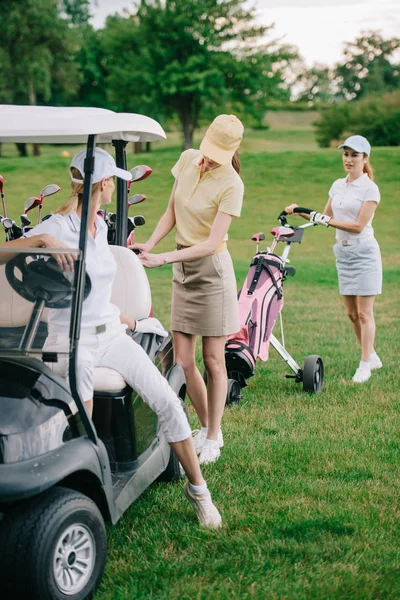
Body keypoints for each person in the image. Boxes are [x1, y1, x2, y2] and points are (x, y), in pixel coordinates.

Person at [0, 147, 222, 529]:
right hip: (70, 339)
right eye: (111, 182)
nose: (111, 187)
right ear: (103, 184)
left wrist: (130, 321)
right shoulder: (57, 227)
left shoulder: (100, 226)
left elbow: (97, 290)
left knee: (166, 400)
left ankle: (199, 490)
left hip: (110, 335)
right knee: (82, 418)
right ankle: (76, 496)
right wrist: (40, 243)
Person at [131, 114, 245, 464]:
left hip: (211, 273)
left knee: (213, 360)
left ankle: (213, 436)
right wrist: (150, 244)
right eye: (209, 151)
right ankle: (208, 426)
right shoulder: (187, 159)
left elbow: (212, 243)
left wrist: (164, 259)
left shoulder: (232, 184)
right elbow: (171, 212)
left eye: (217, 155)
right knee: (183, 359)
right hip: (181, 266)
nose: (208, 159)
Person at [285, 134, 382, 384]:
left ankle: (365, 364)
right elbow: (323, 216)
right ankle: (371, 355)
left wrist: (324, 220)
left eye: (354, 155)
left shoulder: (370, 189)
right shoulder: (338, 185)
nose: (349, 159)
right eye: (346, 154)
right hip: (343, 253)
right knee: (351, 314)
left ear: (365, 158)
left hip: (364, 252)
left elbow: (358, 226)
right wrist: (299, 212)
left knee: (363, 313)